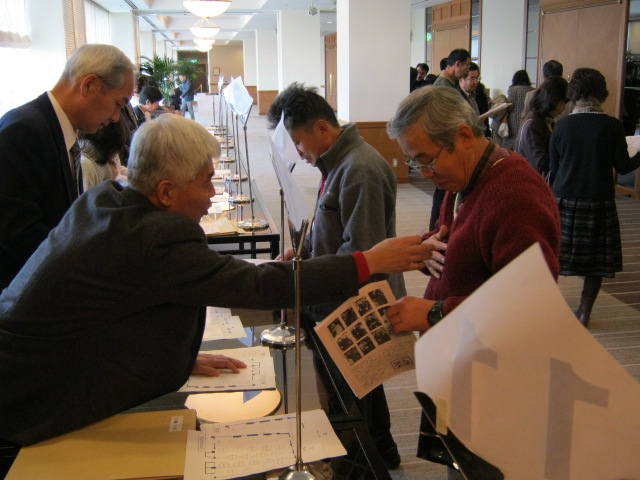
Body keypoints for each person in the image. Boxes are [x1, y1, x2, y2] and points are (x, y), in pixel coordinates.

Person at [0, 114, 432, 447]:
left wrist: (172, 356)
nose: (212, 195)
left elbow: (107, 307)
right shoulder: (158, 237)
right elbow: (260, 286)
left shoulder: (107, 200)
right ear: (166, 192)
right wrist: (366, 261)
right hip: (33, 393)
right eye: (206, 182)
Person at [385, 86, 560, 477]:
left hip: (495, 379)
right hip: (460, 362)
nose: (425, 174)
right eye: (415, 163)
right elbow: (462, 239)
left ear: (463, 136)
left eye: (426, 160)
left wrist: (433, 312)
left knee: (481, 467)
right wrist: (433, 247)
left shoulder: (516, 196)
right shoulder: (466, 178)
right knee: (458, 459)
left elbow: (530, 306)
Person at [266, 82, 406, 470]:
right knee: (361, 385)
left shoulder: (360, 169)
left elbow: (362, 253)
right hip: (337, 293)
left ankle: (363, 464)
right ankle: (383, 450)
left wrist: (311, 277)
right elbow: (331, 227)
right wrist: (304, 249)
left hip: (354, 302)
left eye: (299, 142)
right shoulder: (337, 163)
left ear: (322, 128)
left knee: (350, 392)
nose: (299, 153)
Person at [0, 44, 136, 291]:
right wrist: (85, 265)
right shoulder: (26, 129)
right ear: (89, 85)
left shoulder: (56, 128)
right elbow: (16, 230)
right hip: (24, 291)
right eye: (118, 104)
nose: (116, 117)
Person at [549, 68, 640, 327]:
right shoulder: (612, 126)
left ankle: (548, 302)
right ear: (602, 93)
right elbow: (623, 166)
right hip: (599, 200)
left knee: (554, 254)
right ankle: (584, 311)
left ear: (574, 93)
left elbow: (554, 170)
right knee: (596, 261)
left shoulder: (561, 126)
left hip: (565, 198)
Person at [429, 48, 471, 231]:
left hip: (447, 146)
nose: (468, 69)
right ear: (457, 64)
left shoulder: (449, 85)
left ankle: (439, 228)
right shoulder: (443, 87)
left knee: (445, 194)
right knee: (443, 195)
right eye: (467, 65)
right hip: (445, 146)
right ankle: (437, 230)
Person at [516, 76, 568, 177]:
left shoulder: (547, 121)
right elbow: (540, 163)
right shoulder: (532, 125)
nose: (564, 108)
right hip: (530, 180)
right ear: (552, 101)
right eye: (562, 103)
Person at [79, 114, 129, 190]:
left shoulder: (106, 152)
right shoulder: (86, 165)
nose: (116, 116)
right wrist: (113, 175)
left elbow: (118, 168)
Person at [495, 70, 534, 150]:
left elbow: (509, 106)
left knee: (510, 146)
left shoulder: (513, 90)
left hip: (514, 123)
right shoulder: (533, 90)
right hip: (528, 121)